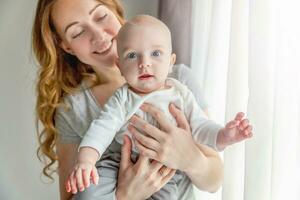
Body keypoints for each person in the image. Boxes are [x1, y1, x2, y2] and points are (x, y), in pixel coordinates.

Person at [32, 0, 227, 199]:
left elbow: (215, 181)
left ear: (115, 11)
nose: (98, 35)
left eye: (100, 16)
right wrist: (125, 196)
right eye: (78, 32)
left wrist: (190, 158)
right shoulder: (73, 109)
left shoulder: (178, 81)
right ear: (66, 46)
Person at [65, 15, 253, 199]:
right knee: (87, 191)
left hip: (167, 168)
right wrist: (86, 161)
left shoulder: (181, 92)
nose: (144, 63)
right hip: (118, 165)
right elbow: (102, 128)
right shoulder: (122, 98)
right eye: (132, 55)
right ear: (120, 66)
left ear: (171, 62)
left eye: (155, 53)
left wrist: (223, 136)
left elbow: (200, 126)